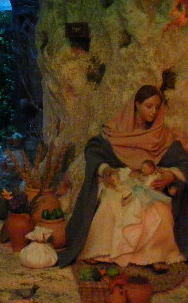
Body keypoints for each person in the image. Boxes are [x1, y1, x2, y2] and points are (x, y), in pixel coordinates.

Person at [58, 85, 188, 269]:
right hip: (120, 182)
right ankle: (103, 253)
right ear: (136, 105)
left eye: (157, 107)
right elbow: (94, 150)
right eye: (148, 106)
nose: (153, 111)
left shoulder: (162, 135)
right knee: (110, 206)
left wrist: (170, 175)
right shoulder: (116, 129)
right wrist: (105, 170)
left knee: (159, 212)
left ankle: (154, 255)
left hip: (148, 186)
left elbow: (183, 162)